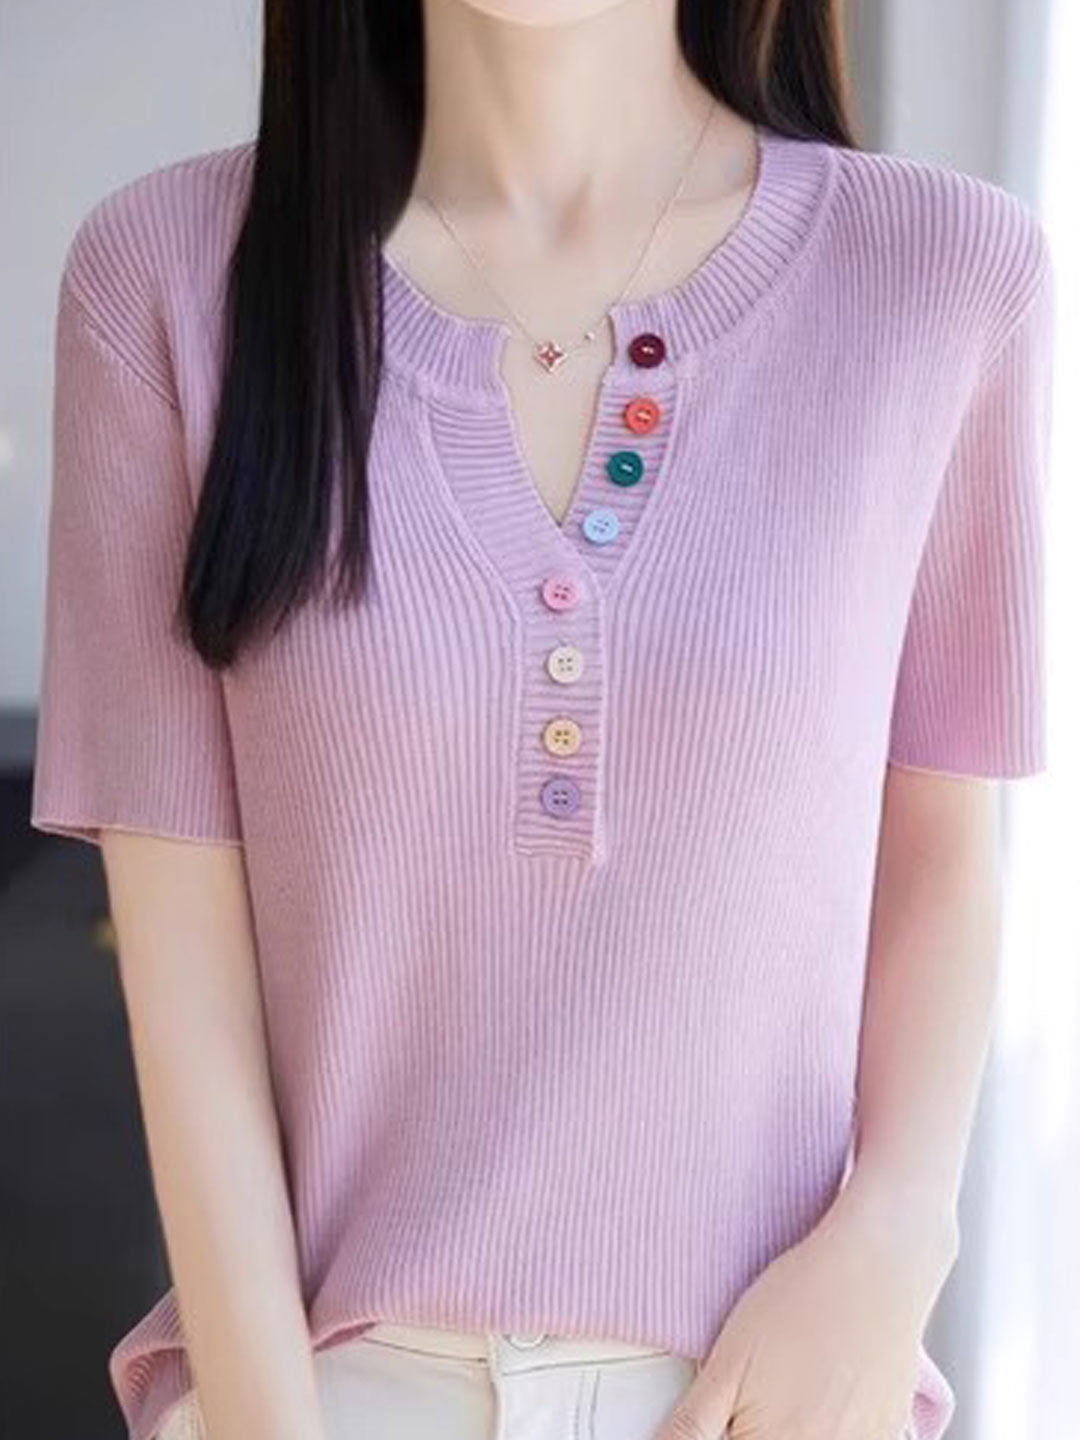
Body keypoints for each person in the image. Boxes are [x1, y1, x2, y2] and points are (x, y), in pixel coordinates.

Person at [30, 0, 1056, 1438]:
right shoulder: (166, 275)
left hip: (764, 1390)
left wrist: (900, 1231)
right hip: (321, 1393)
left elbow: (940, 841)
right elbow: (182, 964)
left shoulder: (945, 274)